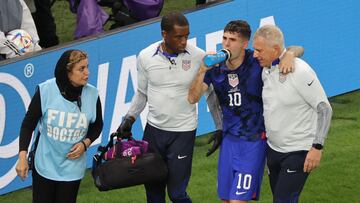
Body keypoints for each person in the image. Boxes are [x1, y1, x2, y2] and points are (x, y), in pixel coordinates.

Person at [188, 20, 303, 203]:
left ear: (244, 44)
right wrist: (201, 70)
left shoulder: (257, 61)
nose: (226, 44)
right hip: (229, 141)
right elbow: (192, 98)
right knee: (226, 200)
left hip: (254, 141)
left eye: (232, 40)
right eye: (224, 38)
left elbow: (298, 48)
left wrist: (289, 54)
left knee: (238, 201)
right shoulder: (215, 68)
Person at [116, 12, 222, 203]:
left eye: (186, 36)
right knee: (154, 193)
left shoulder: (198, 56)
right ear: (164, 34)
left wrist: (220, 126)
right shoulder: (146, 56)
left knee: (177, 194)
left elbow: (211, 93)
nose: (184, 41)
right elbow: (142, 93)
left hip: (183, 133)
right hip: (154, 132)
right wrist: (129, 118)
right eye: (178, 37)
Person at [252, 25, 332, 203]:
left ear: (275, 49)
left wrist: (317, 147)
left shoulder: (300, 72)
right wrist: (290, 53)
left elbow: (325, 109)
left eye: (259, 50)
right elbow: (296, 48)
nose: (255, 54)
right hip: (273, 150)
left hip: (298, 151)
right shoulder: (265, 68)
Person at [15, 50, 104, 203]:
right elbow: (28, 125)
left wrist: (85, 144)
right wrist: (22, 157)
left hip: (72, 170)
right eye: (81, 69)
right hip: (44, 166)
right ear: (67, 72)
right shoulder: (45, 91)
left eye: (87, 67)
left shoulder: (92, 94)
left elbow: (97, 125)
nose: (87, 73)